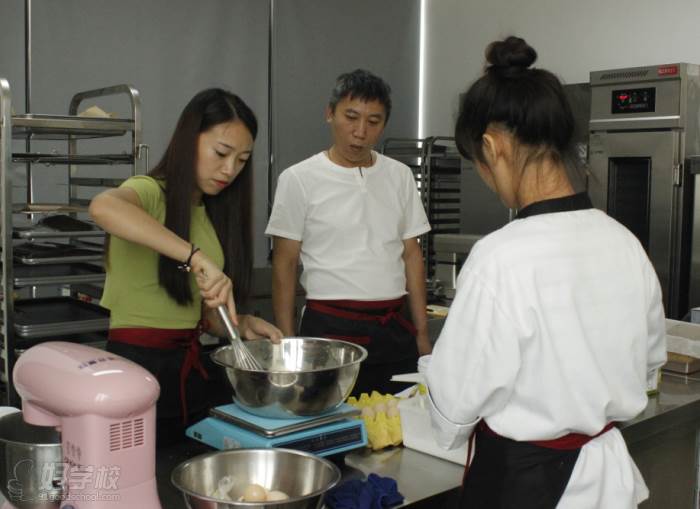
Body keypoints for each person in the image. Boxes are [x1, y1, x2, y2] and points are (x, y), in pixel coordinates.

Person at [425, 37, 666, 509]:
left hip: (527, 489)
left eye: (480, 166)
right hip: (608, 481)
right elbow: (649, 366)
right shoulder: (624, 243)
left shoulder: (500, 257)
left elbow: (453, 410)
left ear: (493, 148)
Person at [89, 88, 282, 447]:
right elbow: (103, 207)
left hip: (190, 370)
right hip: (136, 369)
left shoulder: (208, 213)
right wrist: (195, 257)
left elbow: (194, 313)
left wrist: (241, 325)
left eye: (242, 160)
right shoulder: (148, 192)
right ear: (188, 140)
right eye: (221, 153)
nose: (230, 170)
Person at [266, 69, 432, 396]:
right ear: (330, 114)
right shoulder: (298, 178)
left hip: (392, 329)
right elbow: (284, 264)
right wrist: (288, 346)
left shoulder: (399, 176)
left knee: (396, 423)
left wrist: (422, 333)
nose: (360, 132)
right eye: (351, 117)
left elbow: (412, 255)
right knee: (331, 429)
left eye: (373, 122)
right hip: (329, 330)